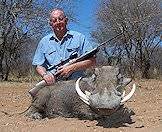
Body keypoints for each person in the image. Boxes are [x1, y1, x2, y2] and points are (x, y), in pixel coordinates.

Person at [32, 8, 96, 87]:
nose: (58, 22)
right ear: (50, 23)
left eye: (60, 19)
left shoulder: (80, 37)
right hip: (53, 84)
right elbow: (39, 65)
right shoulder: (44, 41)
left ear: (66, 20)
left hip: (76, 84)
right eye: (54, 20)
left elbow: (92, 61)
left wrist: (72, 68)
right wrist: (45, 75)